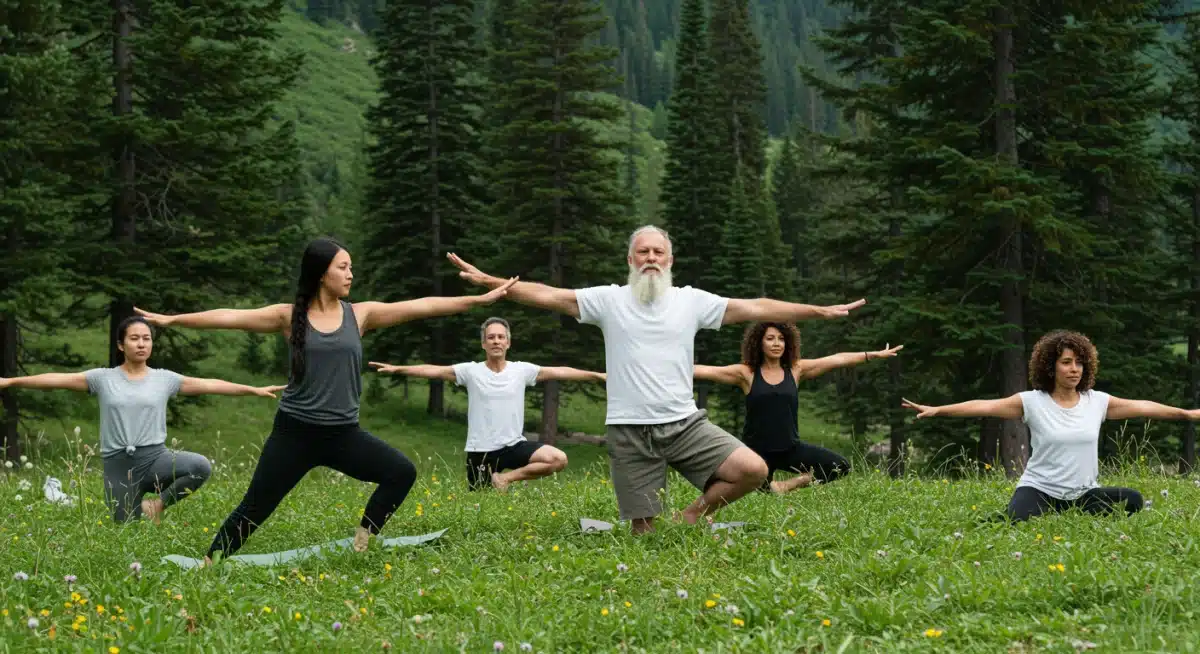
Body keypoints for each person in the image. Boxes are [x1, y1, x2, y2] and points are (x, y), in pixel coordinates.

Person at [446, 225, 865, 534]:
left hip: (685, 424)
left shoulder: (692, 302)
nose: (650, 257)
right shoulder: (608, 299)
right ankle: (658, 534)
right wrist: (495, 284)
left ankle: (693, 515)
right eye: (642, 252)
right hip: (629, 431)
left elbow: (755, 306)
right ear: (630, 260)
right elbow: (549, 296)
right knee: (644, 533)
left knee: (753, 470)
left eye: (658, 252)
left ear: (669, 261)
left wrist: (816, 310)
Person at [133, 237, 517, 562]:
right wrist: (174, 320)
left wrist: (478, 302)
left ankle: (364, 541)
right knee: (255, 507)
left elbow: (424, 306)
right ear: (322, 273)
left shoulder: (361, 315)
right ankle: (209, 563)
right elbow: (231, 316)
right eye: (343, 267)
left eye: (351, 267)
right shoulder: (289, 317)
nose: (350, 274)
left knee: (401, 472)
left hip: (343, 435)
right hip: (294, 434)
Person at [0, 316, 284, 524]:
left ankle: (157, 505)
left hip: (156, 459)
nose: (141, 344)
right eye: (134, 339)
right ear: (121, 345)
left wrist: (252, 389)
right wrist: (10, 381)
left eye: (146, 338)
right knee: (127, 531)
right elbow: (56, 380)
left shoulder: (165, 379)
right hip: (118, 465)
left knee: (200, 466)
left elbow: (208, 384)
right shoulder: (103, 378)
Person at [902, 329, 1200, 522]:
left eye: (1079, 363)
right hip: (1040, 489)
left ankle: (1072, 513)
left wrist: (1186, 414)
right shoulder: (1032, 402)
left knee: (1132, 500)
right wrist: (938, 409)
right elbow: (984, 405)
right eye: (1067, 362)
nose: (1074, 369)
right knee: (1015, 522)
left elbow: (1144, 407)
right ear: (1050, 366)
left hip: (1083, 493)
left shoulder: (1096, 402)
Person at [369, 316, 606, 493]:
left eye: (500, 337)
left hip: (514, 446)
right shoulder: (471, 371)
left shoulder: (521, 371)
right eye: (491, 337)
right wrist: (399, 368)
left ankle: (506, 478)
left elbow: (560, 371)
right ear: (484, 344)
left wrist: (597, 375)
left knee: (558, 459)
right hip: (480, 451)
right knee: (479, 507)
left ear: (508, 343)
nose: (496, 341)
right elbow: (434, 370)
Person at [694, 322, 902, 494]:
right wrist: (666, 364)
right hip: (755, 454)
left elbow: (836, 359)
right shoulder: (746, 373)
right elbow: (706, 371)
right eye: (770, 338)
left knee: (840, 466)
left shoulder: (796, 370)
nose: (777, 344)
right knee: (739, 488)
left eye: (781, 339)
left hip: (789, 449)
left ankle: (785, 487)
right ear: (759, 343)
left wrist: (871, 355)